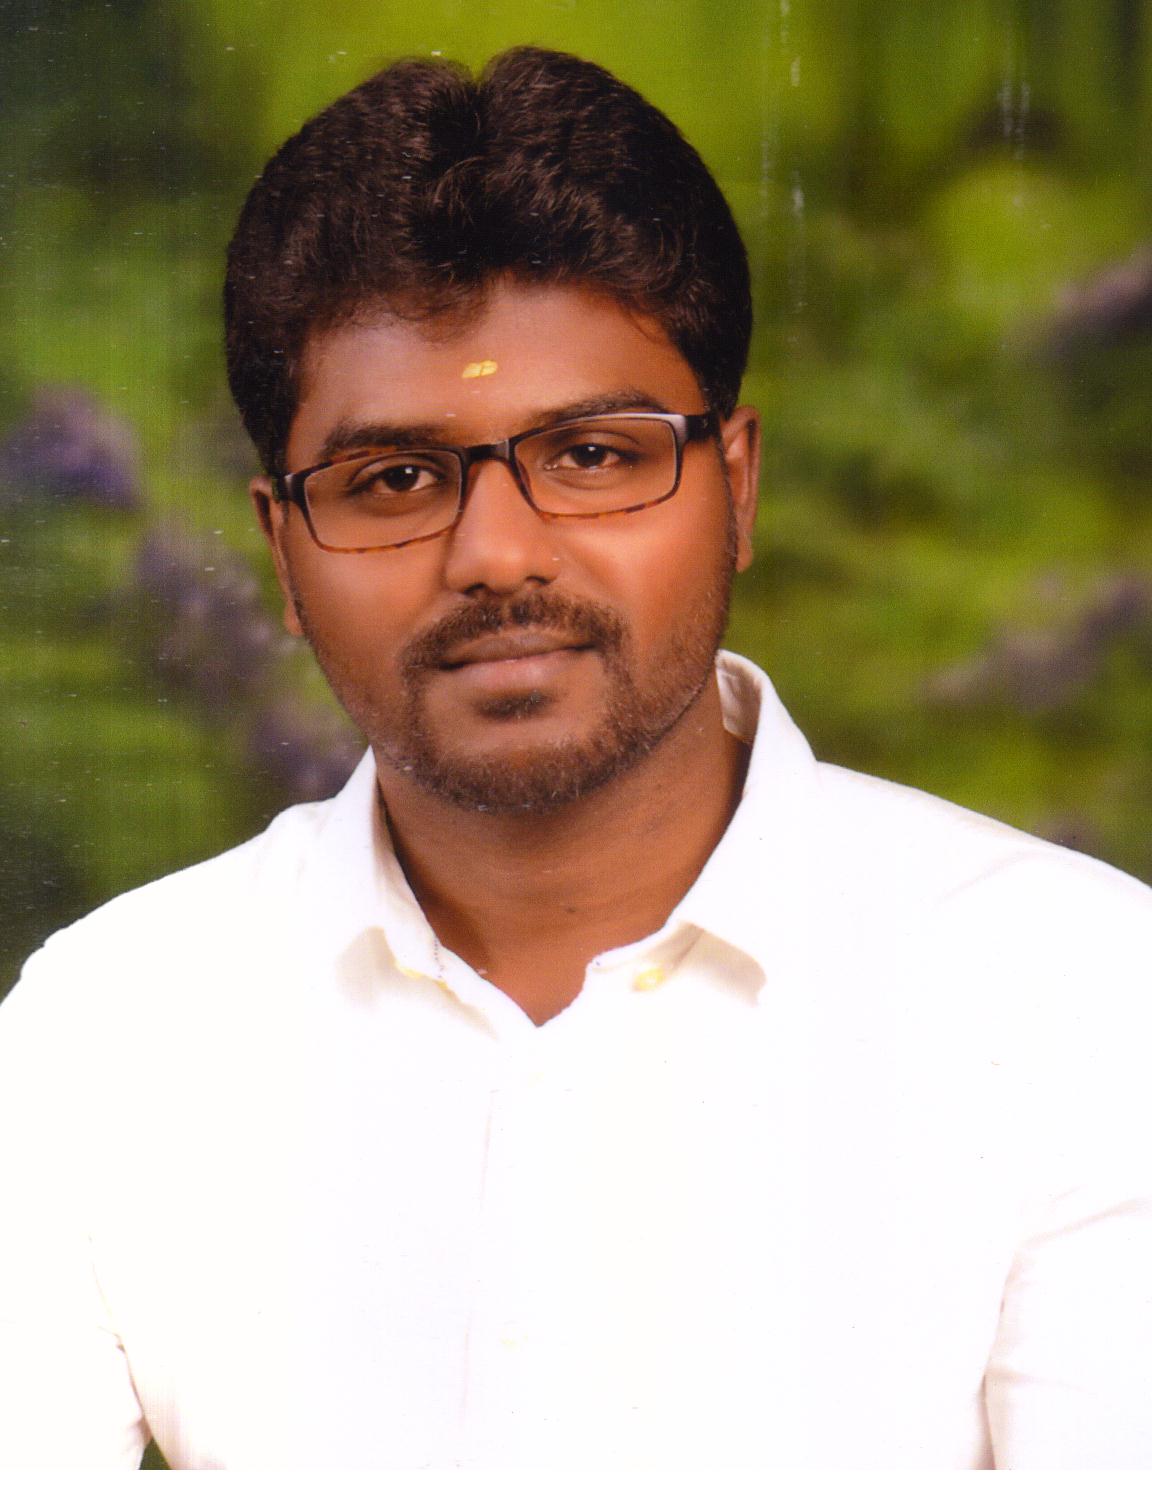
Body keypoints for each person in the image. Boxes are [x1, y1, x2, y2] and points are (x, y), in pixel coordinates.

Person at [1, 46, 1149, 1472]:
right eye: (394, 479)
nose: (497, 554)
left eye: (595, 455)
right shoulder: (104, 1033)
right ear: (281, 554)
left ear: (736, 488)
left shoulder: (1079, 998)